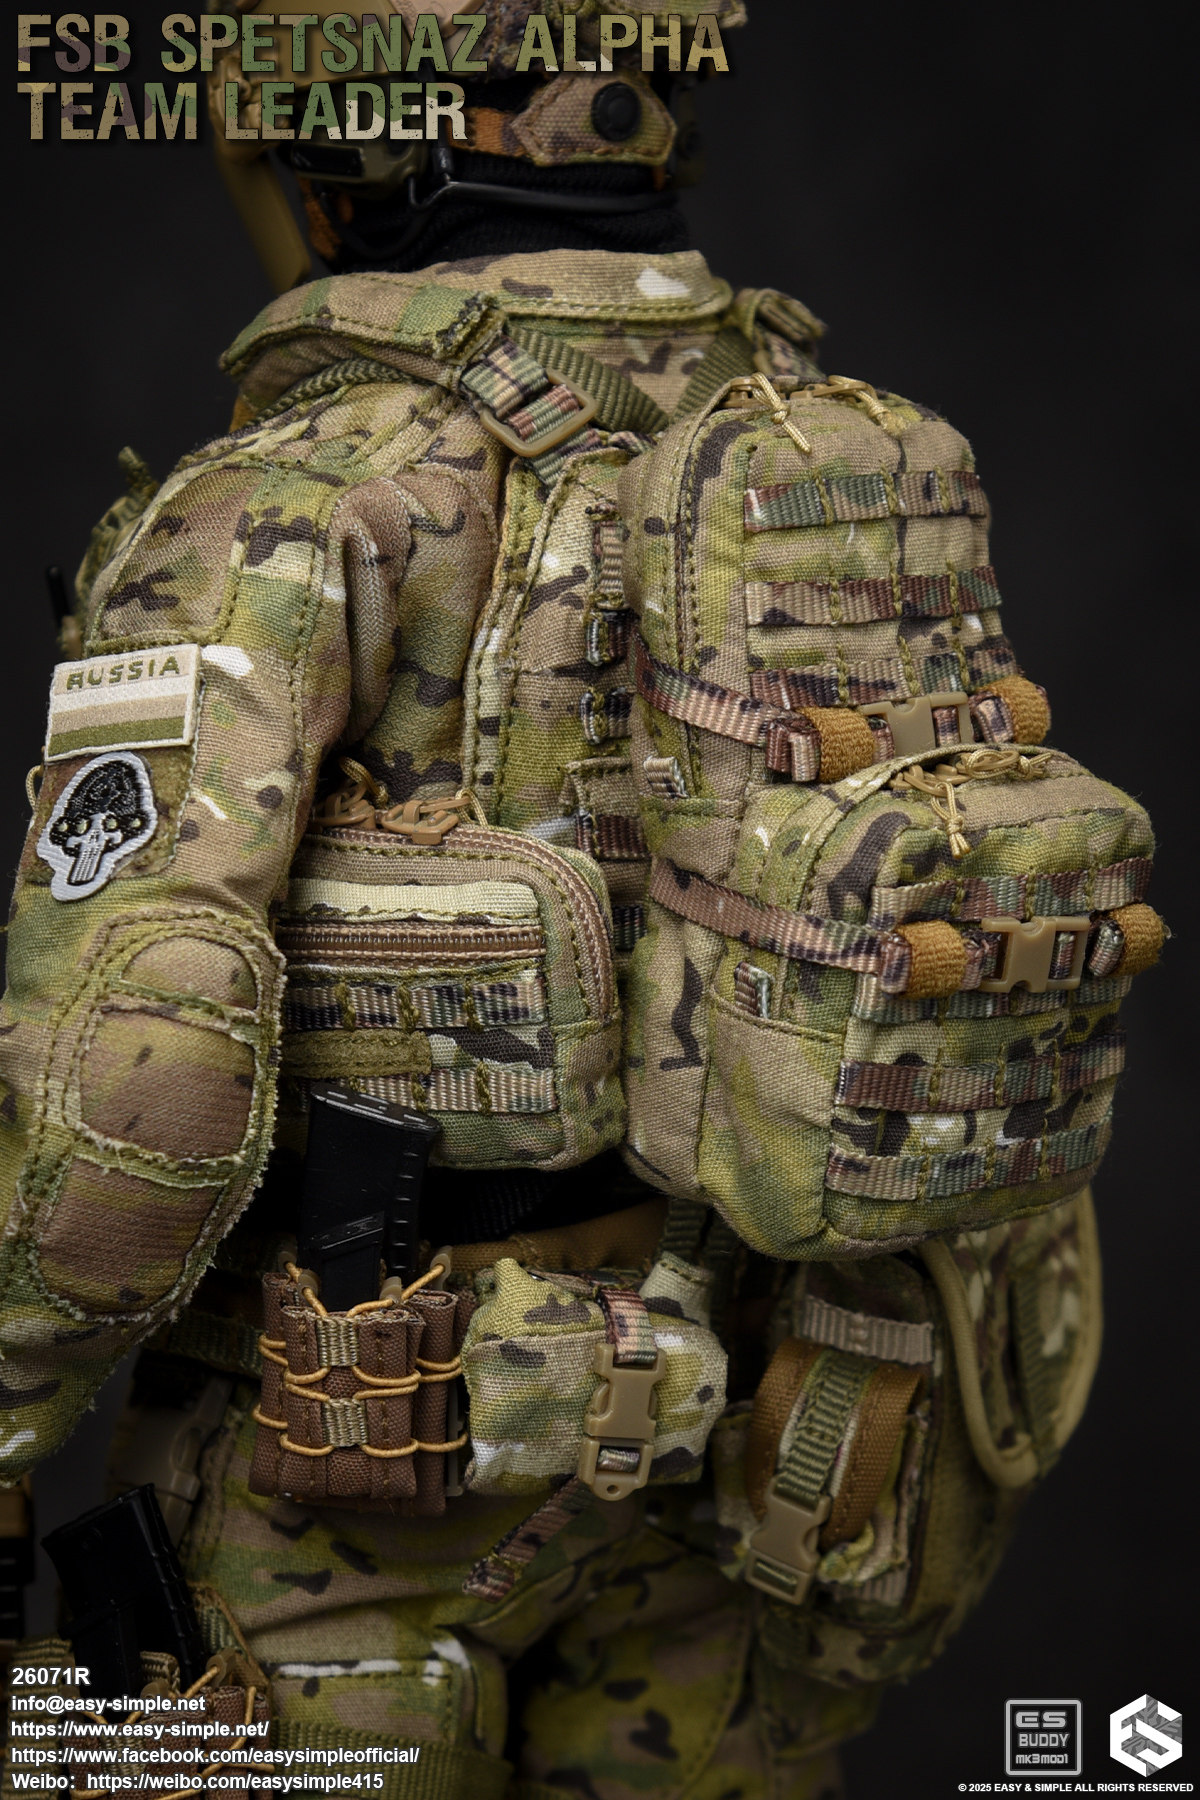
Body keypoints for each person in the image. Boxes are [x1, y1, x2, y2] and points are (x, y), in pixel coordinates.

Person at [0, 6, 1114, 1795]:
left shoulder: (302, 495)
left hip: (358, 1456)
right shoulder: (844, 452)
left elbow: (142, 1053)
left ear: (342, 146)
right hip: (774, 1419)